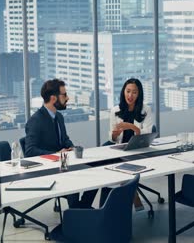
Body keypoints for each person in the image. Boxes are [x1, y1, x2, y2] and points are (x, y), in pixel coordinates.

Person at [25, 78, 97, 208]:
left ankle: (81, 209)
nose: (68, 98)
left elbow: (64, 139)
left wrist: (71, 147)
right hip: (47, 167)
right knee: (73, 181)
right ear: (53, 98)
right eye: (64, 95)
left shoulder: (58, 116)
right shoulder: (35, 120)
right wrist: (56, 154)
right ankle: (77, 214)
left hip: (63, 163)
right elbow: (30, 151)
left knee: (95, 172)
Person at [107, 78, 153, 211]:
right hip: (121, 148)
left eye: (134, 92)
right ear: (123, 92)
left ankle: (129, 195)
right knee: (118, 163)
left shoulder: (146, 110)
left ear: (139, 94)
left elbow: (148, 133)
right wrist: (115, 134)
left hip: (139, 148)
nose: (130, 95)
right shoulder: (115, 110)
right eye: (128, 91)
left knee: (122, 167)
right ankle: (133, 193)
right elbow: (112, 137)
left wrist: (132, 127)